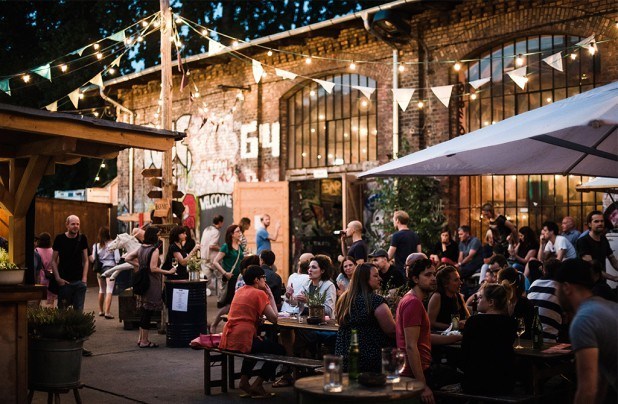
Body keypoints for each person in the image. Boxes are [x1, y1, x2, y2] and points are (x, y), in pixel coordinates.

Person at [395, 258, 461, 404]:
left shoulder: (412, 299)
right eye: (427, 275)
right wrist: (422, 386)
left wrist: (455, 337)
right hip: (415, 373)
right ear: (415, 279)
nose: (433, 278)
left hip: (419, 369)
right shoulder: (413, 303)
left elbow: (423, 337)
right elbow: (411, 346)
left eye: (434, 274)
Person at [555, 259, 617, 404]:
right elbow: (599, 380)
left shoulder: (583, 321)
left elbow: (587, 390)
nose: (555, 293)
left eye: (556, 287)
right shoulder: (609, 307)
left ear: (566, 288)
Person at [219, 265, 284, 399]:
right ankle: (258, 384)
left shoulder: (240, 291)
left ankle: (244, 381)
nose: (265, 280)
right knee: (280, 351)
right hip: (243, 338)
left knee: (257, 344)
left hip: (229, 336)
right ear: (256, 279)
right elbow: (274, 319)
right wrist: (270, 296)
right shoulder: (259, 293)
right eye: (263, 277)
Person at [335, 263, 396, 373]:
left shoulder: (344, 299)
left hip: (344, 358)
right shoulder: (375, 301)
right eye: (376, 276)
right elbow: (392, 330)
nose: (380, 278)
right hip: (370, 360)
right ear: (364, 279)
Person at [124, 226, 177, 348]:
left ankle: (141, 339)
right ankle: (144, 341)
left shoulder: (141, 248)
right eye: (157, 235)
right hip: (151, 283)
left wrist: (141, 265)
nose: (159, 237)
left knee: (144, 311)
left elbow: (127, 258)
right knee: (148, 312)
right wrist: (168, 272)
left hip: (143, 282)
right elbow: (153, 268)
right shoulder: (154, 250)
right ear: (153, 236)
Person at [461, 283, 516, 394]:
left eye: (481, 297)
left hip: (474, 382)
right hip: (504, 383)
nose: (477, 300)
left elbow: (464, 353)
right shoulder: (511, 323)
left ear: (491, 302)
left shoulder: (473, 321)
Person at [51, 215, 89, 314]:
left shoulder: (82, 238)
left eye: (78, 224)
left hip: (79, 281)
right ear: (67, 225)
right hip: (64, 281)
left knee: (78, 312)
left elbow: (86, 260)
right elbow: (53, 260)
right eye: (73, 224)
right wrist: (58, 278)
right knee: (62, 311)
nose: (76, 226)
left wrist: (84, 279)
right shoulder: (60, 238)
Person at [211, 224, 244, 332]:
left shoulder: (240, 246)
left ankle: (231, 327)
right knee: (229, 305)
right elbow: (215, 261)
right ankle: (214, 324)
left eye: (240, 231)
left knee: (236, 305)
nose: (240, 233)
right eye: (237, 231)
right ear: (231, 234)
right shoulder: (226, 246)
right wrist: (225, 273)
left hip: (239, 279)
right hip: (230, 280)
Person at [527, 258, 564, 341]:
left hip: (530, 338)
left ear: (544, 271)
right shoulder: (560, 288)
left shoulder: (534, 284)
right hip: (549, 340)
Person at [576, 210, 618, 282]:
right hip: (588, 283)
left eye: (602, 221)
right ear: (589, 224)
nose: (600, 223)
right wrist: (613, 278)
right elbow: (591, 267)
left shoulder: (603, 239)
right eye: (596, 221)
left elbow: (612, 259)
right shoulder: (583, 241)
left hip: (601, 282)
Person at [89, 226, 120, 319]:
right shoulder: (113, 243)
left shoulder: (96, 245)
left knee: (101, 290)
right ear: (108, 233)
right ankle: (107, 312)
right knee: (109, 290)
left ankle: (101, 311)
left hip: (100, 269)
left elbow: (93, 259)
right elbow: (117, 258)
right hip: (110, 268)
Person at [427, 265, 470, 331]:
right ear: (445, 284)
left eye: (459, 279)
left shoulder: (458, 296)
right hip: (441, 334)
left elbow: (468, 317)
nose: (460, 282)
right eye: (456, 280)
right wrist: (453, 326)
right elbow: (431, 323)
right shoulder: (437, 297)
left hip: (459, 333)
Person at [497, 267, 534, 338]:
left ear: (509, 283)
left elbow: (527, 332)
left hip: (523, 342)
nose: (497, 286)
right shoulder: (500, 302)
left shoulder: (525, 304)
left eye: (499, 282)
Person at [200, 215, 224, 294]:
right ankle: (221, 298)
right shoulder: (216, 231)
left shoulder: (206, 229)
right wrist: (222, 249)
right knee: (221, 279)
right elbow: (212, 245)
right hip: (213, 260)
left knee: (205, 282)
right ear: (220, 222)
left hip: (204, 258)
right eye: (222, 222)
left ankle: (200, 296)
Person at [35, 232, 55, 306]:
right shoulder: (53, 251)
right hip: (50, 276)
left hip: (40, 276)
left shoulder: (36, 251)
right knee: (51, 300)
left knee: (38, 298)